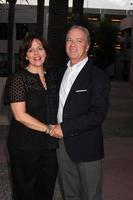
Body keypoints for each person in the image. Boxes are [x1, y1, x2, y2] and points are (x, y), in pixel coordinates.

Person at [50, 25, 110, 200]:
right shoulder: (60, 73)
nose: (73, 44)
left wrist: (65, 128)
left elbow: (97, 114)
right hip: (61, 147)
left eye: (79, 40)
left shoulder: (98, 76)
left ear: (87, 46)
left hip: (87, 148)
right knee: (69, 195)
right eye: (69, 40)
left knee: (91, 196)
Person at [4, 34, 58, 200]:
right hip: (24, 147)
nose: (36, 53)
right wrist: (49, 129)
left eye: (40, 48)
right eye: (31, 50)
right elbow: (20, 115)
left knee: (46, 191)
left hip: (49, 147)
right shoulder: (18, 78)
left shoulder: (52, 78)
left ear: (46, 52)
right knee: (25, 193)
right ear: (25, 55)